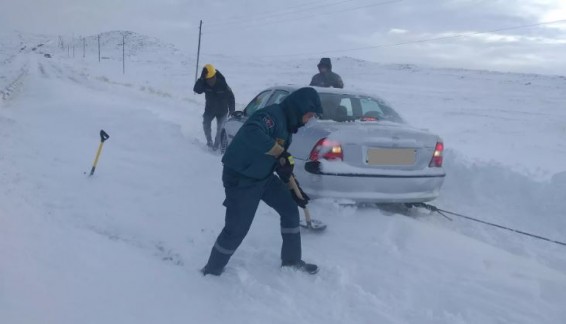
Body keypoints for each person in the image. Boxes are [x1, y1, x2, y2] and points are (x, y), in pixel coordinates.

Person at [202, 87, 323, 276]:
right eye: (309, 115)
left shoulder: (287, 124)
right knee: (236, 229)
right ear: (299, 109)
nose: (309, 120)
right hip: (242, 178)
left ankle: (291, 261)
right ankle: (212, 270)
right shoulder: (271, 116)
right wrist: (280, 153)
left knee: (290, 208)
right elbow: (252, 132)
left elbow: (277, 157)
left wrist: (293, 187)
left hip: (263, 176)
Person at [193, 64, 235, 150]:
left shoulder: (222, 83)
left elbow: (231, 97)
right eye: (208, 80)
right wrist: (201, 79)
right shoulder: (204, 82)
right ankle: (209, 142)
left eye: (212, 79)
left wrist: (232, 111)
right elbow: (197, 90)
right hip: (209, 110)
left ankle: (216, 147)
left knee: (220, 130)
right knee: (206, 124)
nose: (210, 81)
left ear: (215, 76)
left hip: (222, 111)